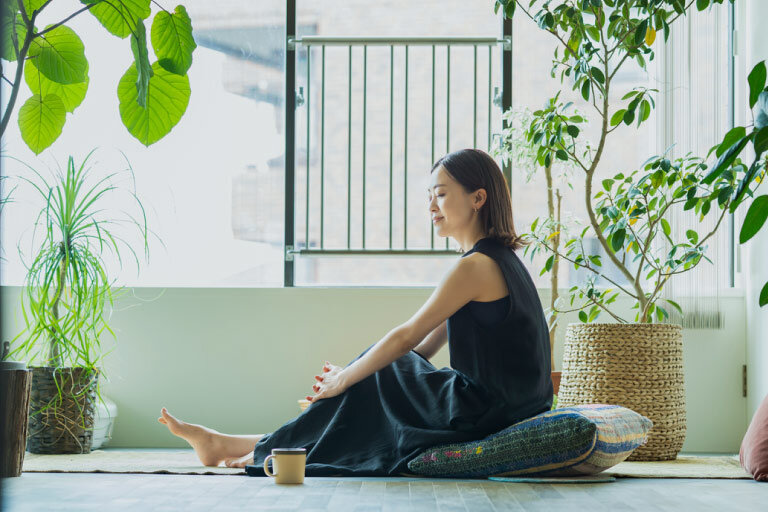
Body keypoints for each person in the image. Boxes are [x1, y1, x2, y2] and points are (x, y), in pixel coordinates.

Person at [159, 148, 553, 475]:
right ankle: (238, 444)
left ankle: (253, 449)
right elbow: (423, 349)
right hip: (507, 403)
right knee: (380, 374)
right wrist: (355, 380)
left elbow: (407, 336)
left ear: (478, 198)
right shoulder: (499, 261)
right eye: (430, 195)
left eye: (442, 194)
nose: (431, 205)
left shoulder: (475, 267)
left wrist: (346, 379)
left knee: (380, 368)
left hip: (486, 409)